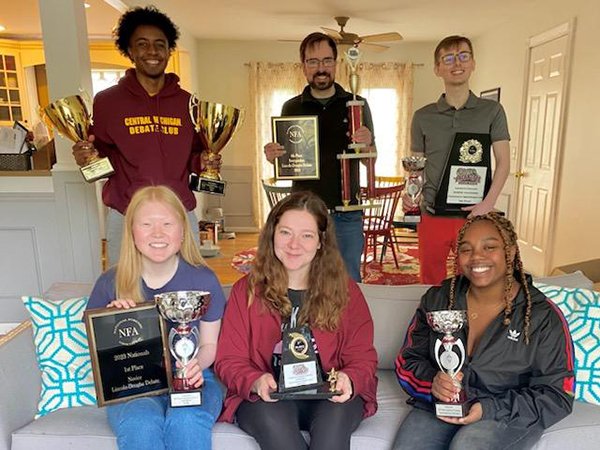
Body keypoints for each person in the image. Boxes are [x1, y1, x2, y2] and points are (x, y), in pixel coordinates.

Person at [393, 212, 575, 450]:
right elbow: (408, 360)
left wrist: (490, 408)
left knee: (468, 445)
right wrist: (433, 384)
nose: (476, 257)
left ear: (509, 252)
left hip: (508, 413)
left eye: (489, 247)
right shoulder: (438, 299)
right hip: (442, 405)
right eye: (466, 249)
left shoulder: (542, 316)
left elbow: (558, 394)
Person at [215, 191, 378, 450]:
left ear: (321, 241)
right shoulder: (245, 291)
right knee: (276, 430)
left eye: (307, 235)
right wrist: (254, 380)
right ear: (272, 235)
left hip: (329, 395)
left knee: (331, 433)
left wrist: (349, 377)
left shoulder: (345, 291)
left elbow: (362, 355)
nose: (294, 244)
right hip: (268, 396)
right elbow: (228, 360)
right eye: (285, 232)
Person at [73, 6, 218, 265]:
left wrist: (206, 163)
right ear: (129, 51)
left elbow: (195, 156)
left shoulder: (188, 103)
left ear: (169, 50)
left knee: (192, 287)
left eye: (159, 44)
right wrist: (87, 159)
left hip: (179, 212)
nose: (152, 52)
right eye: (142, 44)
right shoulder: (107, 102)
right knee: (127, 293)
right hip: (127, 213)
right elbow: (102, 162)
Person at [87, 185, 225, 450]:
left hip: (196, 379)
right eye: (147, 224)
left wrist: (194, 366)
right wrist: (112, 323)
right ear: (131, 232)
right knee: (141, 421)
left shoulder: (204, 279)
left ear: (183, 231)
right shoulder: (109, 283)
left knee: (186, 419)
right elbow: (98, 357)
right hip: (133, 385)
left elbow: (209, 345)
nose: (158, 233)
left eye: (167, 224)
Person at [263, 32, 375, 282]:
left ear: (336, 64)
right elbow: (287, 160)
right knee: (302, 279)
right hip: (304, 215)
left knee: (349, 282)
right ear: (303, 66)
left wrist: (367, 144)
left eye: (326, 60)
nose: (321, 68)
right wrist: (274, 156)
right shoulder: (291, 108)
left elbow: (371, 161)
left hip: (347, 213)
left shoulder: (357, 104)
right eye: (313, 62)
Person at [407, 35, 511, 285]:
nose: (457, 63)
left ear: (473, 63)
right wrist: (411, 194)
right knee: (430, 282)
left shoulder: (492, 111)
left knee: (476, 279)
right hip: (432, 214)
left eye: (464, 56)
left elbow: (504, 162)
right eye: (449, 58)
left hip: (474, 215)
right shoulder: (423, 117)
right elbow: (416, 167)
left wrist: (488, 204)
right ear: (437, 68)